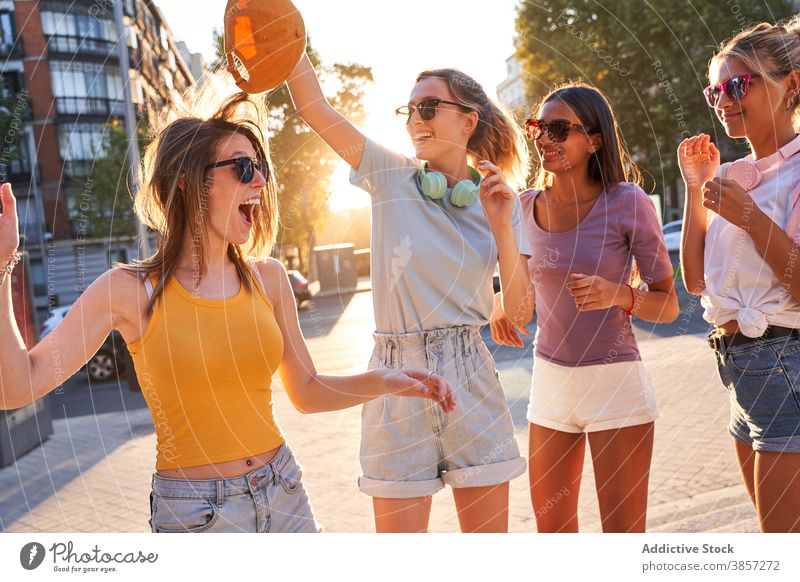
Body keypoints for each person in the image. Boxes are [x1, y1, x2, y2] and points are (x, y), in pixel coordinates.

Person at [0, 91, 455, 533]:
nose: (259, 181)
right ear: (188, 181)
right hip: (197, 516)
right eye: (242, 167)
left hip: (284, 489)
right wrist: (2, 265)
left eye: (259, 168)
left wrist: (386, 382)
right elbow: (17, 387)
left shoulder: (269, 278)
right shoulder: (130, 290)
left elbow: (308, 391)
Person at [286, 52, 532, 532]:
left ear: (468, 120)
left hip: (470, 372)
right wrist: (288, 37)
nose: (414, 118)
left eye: (428, 106)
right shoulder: (390, 173)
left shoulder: (503, 200)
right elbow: (313, 107)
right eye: (410, 109)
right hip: (393, 376)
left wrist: (502, 227)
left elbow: (520, 312)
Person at [491, 83, 679, 532]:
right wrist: (498, 302)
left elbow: (670, 305)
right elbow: (520, 296)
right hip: (550, 383)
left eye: (559, 128)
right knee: (553, 535)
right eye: (539, 126)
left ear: (594, 140)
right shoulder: (520, 207)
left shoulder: (627, 202)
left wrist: (619, 294)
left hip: (615, 385)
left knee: (622, 536)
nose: (543, 138)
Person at [679, 15, 800, 532]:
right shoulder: (725, 176)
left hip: (784, 367)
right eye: (715, 91)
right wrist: (695, 187)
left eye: (737, 84)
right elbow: (695, 281)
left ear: (791, 85)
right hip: (737, 373)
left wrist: (748, 215)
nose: (724, 99)